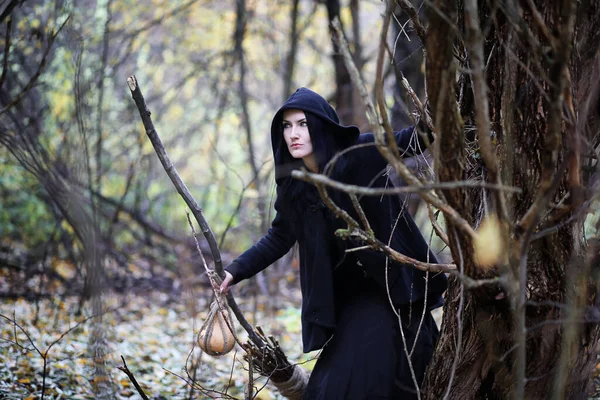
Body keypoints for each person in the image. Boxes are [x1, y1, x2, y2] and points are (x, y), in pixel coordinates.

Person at [220, 87, 447, 399]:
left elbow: (415, 139)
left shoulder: (358, 153)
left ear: (321, 125)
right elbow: (278, 237)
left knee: (375, 375)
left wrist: (442, 86)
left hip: (396, 290)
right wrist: (234, 271)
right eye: (286, 126)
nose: (293, 134)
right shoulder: (295, 188)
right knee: (333, 383)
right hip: (352, 302)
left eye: (302, 124)